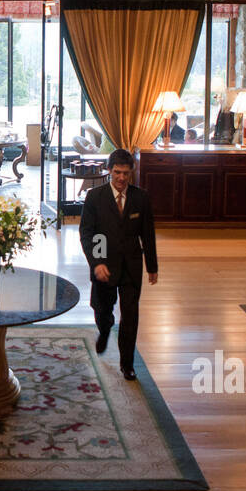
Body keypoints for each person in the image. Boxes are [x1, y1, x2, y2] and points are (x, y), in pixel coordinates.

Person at [79, 148, 159, 380]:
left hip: (131, 267)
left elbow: (148, 234)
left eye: (126, 173)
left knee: (131, 318)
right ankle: (104, 330)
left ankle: (127, 364)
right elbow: (88, 234)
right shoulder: (95, 197)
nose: (121, 178)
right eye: (117, 173)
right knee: (102, 310)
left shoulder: (141, 198)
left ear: (131, 173)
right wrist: (97, 262)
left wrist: (152, 266)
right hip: (104, 264)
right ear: (109, 171)